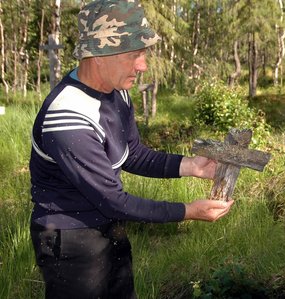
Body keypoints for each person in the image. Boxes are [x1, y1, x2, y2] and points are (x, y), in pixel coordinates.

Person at [29, 1, 234, 298]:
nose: (143, 65)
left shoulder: (117, 92)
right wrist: (188, 211)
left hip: (110, 227)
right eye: (134, 54)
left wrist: (191, 166)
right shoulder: (68, 117)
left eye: (144, 54)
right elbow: (113, 199)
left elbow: (132, 154)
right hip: (69, 238)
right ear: (99, 54)